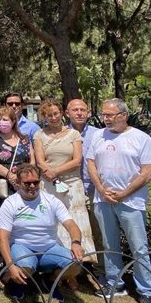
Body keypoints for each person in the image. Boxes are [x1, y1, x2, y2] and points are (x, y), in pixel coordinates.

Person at [86, 98, 151, 303]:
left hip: (131, 201)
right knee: (109, 245)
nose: (105, 119)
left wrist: (123, 193)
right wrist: (101, 189)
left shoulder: (141, 138)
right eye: (103, 114)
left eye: (110, 115)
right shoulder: (97, 135)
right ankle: (115, 283)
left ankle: (146, 289)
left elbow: (146, 173)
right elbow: (91, 163)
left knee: (138, 247)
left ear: (123, 115)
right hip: (102, 199)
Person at [0, 164, 84, 301]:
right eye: (27, 183)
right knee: (25, 265)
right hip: (22, 247)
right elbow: (2, 238)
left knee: (75, 265)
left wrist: (76, 243)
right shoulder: (10, 203)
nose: (32, 186)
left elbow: (71, 225)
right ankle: (16, 284)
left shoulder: (51, 200)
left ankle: (50, 281)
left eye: (35, 182)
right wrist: (11, 266)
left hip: (49, 247)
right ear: (18, 183)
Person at [33, 99, 95, 263]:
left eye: (55, 113)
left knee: (75, 221)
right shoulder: (39, 135)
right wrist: (49, 173)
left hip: (72, 184)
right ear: (44, 117)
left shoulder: (73, 134)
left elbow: (77, 160)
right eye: (48, 115)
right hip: (48, 185)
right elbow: (40, 160)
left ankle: (79, 264)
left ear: (61, 113)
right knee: (54, 222)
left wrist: (55, 172)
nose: (53, 117)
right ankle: (59, 262)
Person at [66, 98, 103, 251]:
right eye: (75, 110)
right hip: (70, 190)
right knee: (73, 233)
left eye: (83, 110)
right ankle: (78, 269)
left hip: (94, 190)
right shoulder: (62, 134)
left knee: (99, 232)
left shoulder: (99, 134)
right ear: (67, 113)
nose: (79, 113)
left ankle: (101, 270)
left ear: (88, 113)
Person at [0, 106, 35, 195]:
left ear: (13, 121)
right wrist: (10, 176)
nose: (1, 122)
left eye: (5, 119)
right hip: (2, 185)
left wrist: (24, 177)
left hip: (24, 182)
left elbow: (32, 161)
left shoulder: (25, 139)